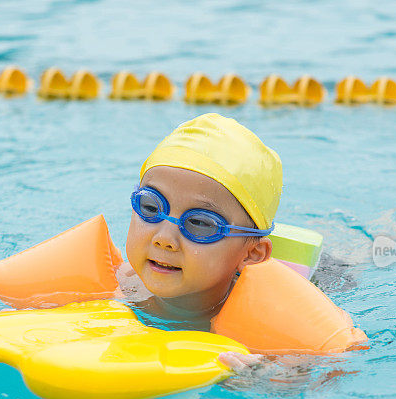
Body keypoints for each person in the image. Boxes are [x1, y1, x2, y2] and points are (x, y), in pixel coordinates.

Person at [115, 112, 283, 373]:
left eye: (201, 223)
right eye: (150, 207)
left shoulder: (265, 326)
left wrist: (263, 380)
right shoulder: (119, 285)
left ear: (251, 253)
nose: (164, 239)